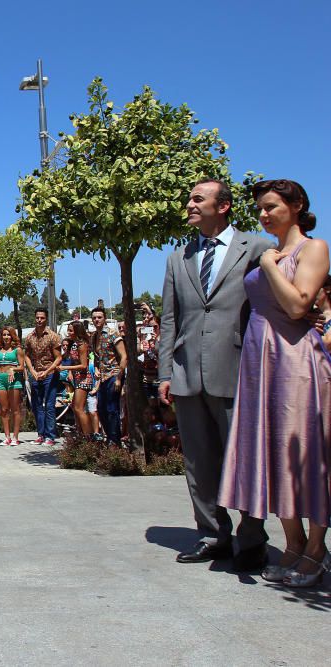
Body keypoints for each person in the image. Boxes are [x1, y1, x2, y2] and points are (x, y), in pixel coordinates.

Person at [217, 179, 331, 586]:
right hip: (260, 361)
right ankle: (294, 544)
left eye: (271, 207)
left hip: (296, 360)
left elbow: (300, 303)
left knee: (304, 451)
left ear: (297, 205)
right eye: (260, 209)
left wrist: (267, 264)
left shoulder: (312, 248)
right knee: (274, 453)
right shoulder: (269, 249)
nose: (263, 214)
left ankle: (317, 549)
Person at [158, 178, 272, 571]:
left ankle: (253, 539)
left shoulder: (257, 247)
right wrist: (164, 373)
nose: (188, 204)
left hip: (238, 370)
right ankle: (212, 535)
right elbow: (169, 320)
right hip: (187, 374)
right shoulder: (178, 258)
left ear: (222, 206)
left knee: (243, 459)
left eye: (196, 198)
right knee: (199, 463)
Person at [22, 308, 61, 446]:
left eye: (42, 318)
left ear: (46, 319)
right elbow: (26, 355)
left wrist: (47, 371)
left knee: (49, 405)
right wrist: (31, 370)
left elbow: (58, 358)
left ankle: (50, 436)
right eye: (37, 317)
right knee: (37, 405)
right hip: (35, 374)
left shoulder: (53, 336)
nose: (39, 320)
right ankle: (40, 434)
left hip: (49, 374)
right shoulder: (30, 337)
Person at [90, 306, 125, 446]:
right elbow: (97, 357)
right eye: (94, 318)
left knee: (112, 409)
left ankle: (115, 441)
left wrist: (118, 378)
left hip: (113, 374)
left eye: (99, 317)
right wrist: (97, 368)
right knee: (101, 409)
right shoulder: (94, 336)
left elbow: (124, 356)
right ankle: (110, 437)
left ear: (104, 318)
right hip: (103, 378)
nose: (97, 320)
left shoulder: (112, 334)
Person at [60, 320, 94, 437]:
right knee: (75, 407)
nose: (68, 333)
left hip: (84, 379)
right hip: (77, 379)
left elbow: (84, 365)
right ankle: (80, 434)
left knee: (79, 408)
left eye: (70, 330)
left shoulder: (82, 345)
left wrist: (65, 367)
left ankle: (88, 436)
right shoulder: (74, 344)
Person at [0, 326, 25, 446]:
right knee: (4, 409)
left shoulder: (18, 350)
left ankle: (15, 436)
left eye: (8, 334)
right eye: (4, 335)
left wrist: (13, 368)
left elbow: (22, 367)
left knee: (15, 409)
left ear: (12, 336)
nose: (6, 337)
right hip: (0, 379)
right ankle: (7, 437)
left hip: (14, 379)